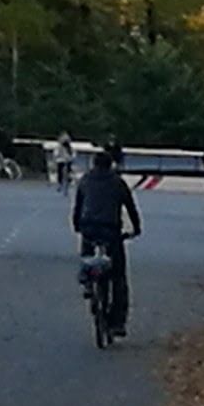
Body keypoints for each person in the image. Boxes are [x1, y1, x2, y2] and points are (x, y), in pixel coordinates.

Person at [72, 141, 143, 332]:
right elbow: (131, 208)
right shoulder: (118, 183)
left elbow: (78, 208)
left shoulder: (85, 180)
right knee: (118, 277)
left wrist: (77, 226)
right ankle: (117, 322)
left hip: (89, 228)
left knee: (87, 252)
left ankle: (87, 282)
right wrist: (136, 228)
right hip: (111, 231)